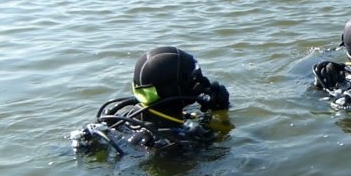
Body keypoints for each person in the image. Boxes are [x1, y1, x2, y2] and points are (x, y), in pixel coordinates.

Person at [71, 46, 231, 156]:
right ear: (174, 89)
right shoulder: (174, 144)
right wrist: (221, 113)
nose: (203, 83)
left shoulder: (126, 117)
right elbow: (218, 150)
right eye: (194, 79)